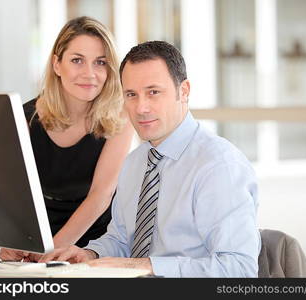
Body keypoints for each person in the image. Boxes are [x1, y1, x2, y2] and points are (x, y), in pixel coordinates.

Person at [39, 41, 260, 277]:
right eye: (131, 95)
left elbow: (239, 269)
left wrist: (146, 265)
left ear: (183, 91)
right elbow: (121, 240)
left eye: (153, 92)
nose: (141, 107)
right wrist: (91, 254)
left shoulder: (218, 167)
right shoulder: (135, 163)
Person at [0, 17, 133, 261]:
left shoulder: (120, 117)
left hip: (97, 241)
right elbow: (13, 194)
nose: (90, 73)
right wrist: (14, 241)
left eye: (100, 62)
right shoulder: (24, 118)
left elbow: (101, 195)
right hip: (40, 234)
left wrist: (52, 250)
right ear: (57, 64)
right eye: (77, 60)